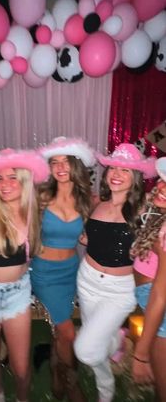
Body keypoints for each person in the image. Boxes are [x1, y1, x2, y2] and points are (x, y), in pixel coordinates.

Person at [74, 143, 157, 402]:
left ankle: (106, 384)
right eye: (113, 168)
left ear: (135, 178)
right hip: (87, 280)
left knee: (86, 351)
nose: (117, 174)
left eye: (126, 170)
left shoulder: (144, 209)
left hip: (119, 290)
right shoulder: (96, 202)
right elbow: (90, 236)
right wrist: (86, 237)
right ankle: (113, 349)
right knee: (96, 341)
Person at [0, 148, 50, 402]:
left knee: (21, 366)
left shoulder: (33, 214)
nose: (4, 185)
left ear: (26, 181)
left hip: (18, 294)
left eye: (12, 177)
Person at [30, 137, 96, 402]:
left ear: (75, 165)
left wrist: (88, 237)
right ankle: (71, 382)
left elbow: (95, 231)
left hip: (71, 269)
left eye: (65, 161)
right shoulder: (41, 196)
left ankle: (58, 371)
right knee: (68, 330)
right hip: (44, 272)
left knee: (61, 331)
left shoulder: (86, 200)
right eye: (54, 162)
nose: (60, 167)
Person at [131, 156, 166, 401]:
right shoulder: (159, 215)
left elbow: (161, 293)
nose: (163, 188)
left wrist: (140, 354)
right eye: (164, 181)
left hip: (162, 318)